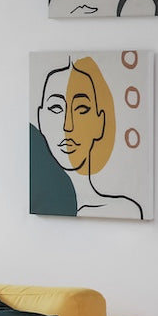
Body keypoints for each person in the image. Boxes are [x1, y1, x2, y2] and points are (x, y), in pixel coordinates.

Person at [33, 55, 143, 219]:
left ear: (100, 123)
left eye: (81, 109)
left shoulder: (126, 209)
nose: (67, 126)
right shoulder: (39, 205)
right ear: (41, 119)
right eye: (56, 108)